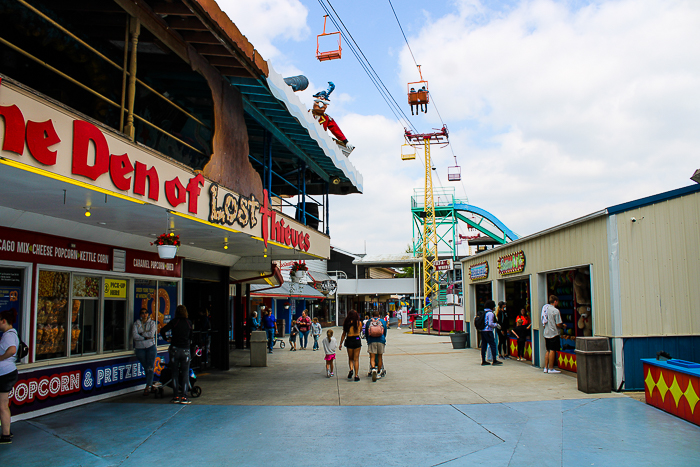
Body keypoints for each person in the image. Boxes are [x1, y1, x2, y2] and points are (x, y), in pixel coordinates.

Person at [159, 305, 193, 404]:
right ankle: (184, 397)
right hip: (185, 350)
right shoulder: (189, 322)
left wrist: (167, 339)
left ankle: (175, 396)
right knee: (185, 373)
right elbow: (191, 336)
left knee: (174, 373)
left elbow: (162, 330)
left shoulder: (174, 322)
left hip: (174, 349)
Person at [0, 309, 19, 444]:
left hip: (5, 373)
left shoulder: (8, 335)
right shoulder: (12, 333)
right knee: (3, 404)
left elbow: (12, 350)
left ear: (4, 321)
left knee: (2, 405)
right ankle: (7, 430)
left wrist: (0, 358)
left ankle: (5, 435)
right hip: (8, 372)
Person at [132, 307, 157, 395]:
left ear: (148, 314)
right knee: (146, 367)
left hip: (150, 347)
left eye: (146, 312)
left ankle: (148, 386)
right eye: (142, 313)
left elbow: (152, 334)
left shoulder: (152, 323)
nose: (144, 314)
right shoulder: (136, 323)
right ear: (140, 315)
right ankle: (152, 385)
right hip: (140, 348)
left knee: (150, 366)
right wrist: (145, 337)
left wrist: (141, 334)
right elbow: (135, 336)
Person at [542, 295, 566, 374]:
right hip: (553, 333)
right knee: (553, 350)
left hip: (546, 332)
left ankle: (546, 367)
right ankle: (551, 368)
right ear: (555, 301)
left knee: (548, 350)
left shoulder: (545, 309)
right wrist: (563, 326)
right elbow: (558, 324)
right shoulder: (555, 311)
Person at [338, 310, 362, 381]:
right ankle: (356, 375)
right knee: (356, 359)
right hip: (357, 339)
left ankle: (351, 369)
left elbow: (344, 334)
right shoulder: (359, 323)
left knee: (350, 358)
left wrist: (340, 343)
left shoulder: (347, 323)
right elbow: (360, 331)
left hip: (349, 339)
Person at [364, 310, 388, 382]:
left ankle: (373, 369)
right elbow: (385, 331)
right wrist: (383, 339)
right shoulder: (383, 321)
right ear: (379, 315)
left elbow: (366, 332)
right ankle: (379, 371)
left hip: (372, 341)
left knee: (372, 357)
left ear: (372, 315)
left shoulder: (369, 322)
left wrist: (368, 340)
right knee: (380, 357)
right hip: (381, 340)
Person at [481, 300, 502, 366]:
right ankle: (494, 360)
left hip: (483, 331)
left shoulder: (484, 312)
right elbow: (490, 323)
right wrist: (496, 325)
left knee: (483, 345)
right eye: (494, 306)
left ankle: (483, 360)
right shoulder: (490, 314)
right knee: (493, 344)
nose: (495, 308)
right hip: (488, 331)